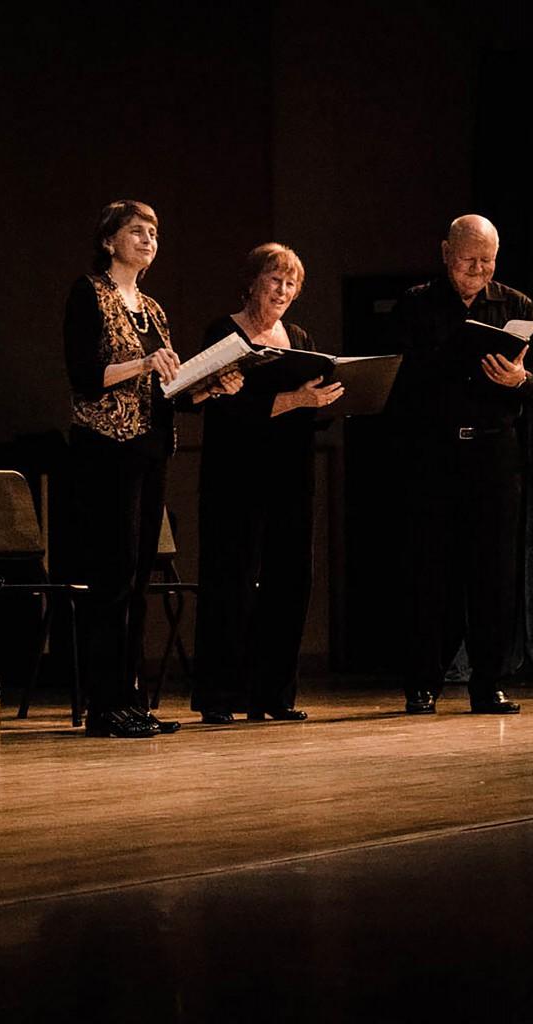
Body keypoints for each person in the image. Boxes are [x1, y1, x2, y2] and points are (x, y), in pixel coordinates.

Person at [64, 199, 242, 738]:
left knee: (138, 577)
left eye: (154, 234)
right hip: (105, 449)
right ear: (108, 240)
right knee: (112, 577)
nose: (148, 240)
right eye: (137, 231)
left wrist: (210, 386)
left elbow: (168, 388)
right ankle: (103, 705)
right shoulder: (88, 293)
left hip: (150, 448)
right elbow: (84, 375)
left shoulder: (154, 308)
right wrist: (143, 363)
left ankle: (131, 699)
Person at [386, 214, 533, 715]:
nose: (478, 271)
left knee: (494, 573)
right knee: (429, 571)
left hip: (494, 453)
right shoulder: (417, 304)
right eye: (468, 261)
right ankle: (423, 683)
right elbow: (392, 378)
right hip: (432, 454)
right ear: (445, 253)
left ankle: (489, 683)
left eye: (487, 262)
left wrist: (519, 381)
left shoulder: (518, 305)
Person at [190, 242, 344, 724]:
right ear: (253, 281)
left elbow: (309, 408)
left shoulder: (298, 335)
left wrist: (323, 401)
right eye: (274, 280)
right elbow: (224, 409)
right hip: (235, 474)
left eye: (291, 283)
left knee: (291, 581)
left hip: (291, 474)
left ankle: (273, 694)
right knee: (230, 580)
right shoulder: (224, 331)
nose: (283, 290)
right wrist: (295, 401)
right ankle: (219, 696)